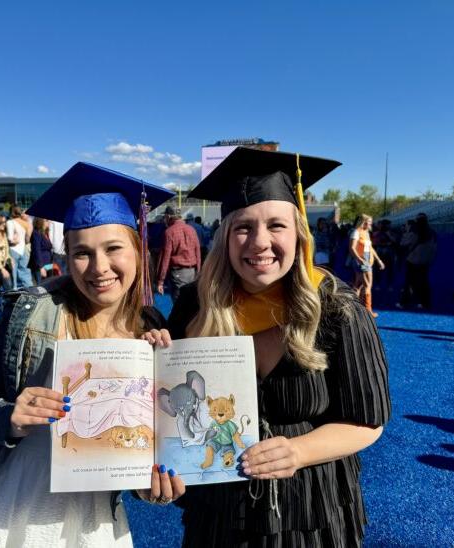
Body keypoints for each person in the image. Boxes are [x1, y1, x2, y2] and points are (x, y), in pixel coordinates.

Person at [0, 162, 181, 547]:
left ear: (138, 250)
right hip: (6, 494)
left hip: (88, 509)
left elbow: (135, 441)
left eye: (114, 248)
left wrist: (149, 485)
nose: (98, 268)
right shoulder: (34, 312)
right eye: (82, 253)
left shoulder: (151, 328)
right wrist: (7, 416)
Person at [157, 147, 390, 547]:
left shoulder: (337, 308)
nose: (260, 242)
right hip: (218, 514)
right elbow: (168, 413)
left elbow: (368, 420)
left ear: (298, 233)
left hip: (310, 511)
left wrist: (298, 452)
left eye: (276, 225)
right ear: (226, 237)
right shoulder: (197, 305)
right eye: (243, 227)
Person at [157, 206, 201, 302]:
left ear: (168, 216)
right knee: (192, 302)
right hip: (192, 272)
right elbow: (198, 251)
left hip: (178, 274)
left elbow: (165, 258)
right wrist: (198, 271)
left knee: (179, 303)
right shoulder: (191, 229)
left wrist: (160, 280)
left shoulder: (169, 232)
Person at [396, 214, 438, 310]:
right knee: (424, 282)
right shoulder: (432, 232)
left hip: (413, 259)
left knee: (409, 281)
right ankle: (424, 302)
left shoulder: (415, 232)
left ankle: (405, 301)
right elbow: (434, 248)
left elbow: (403, 243)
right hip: (425, 261)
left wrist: (406, 231)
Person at [349, 214, 385, 317]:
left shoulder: (366, 233)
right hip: (362, 261)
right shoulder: (356, 232)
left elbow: (370, 248)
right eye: (369, 222)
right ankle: (367, 310)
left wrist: (378, 260)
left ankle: (355, 308)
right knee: (367, 285)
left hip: (367, 261)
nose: (371, 224)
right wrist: (359, 259)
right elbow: (352, 248)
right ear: (363, 222)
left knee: (358, 285)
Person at [6, 205, 33, 289]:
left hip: (13, 249)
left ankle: (13, 292)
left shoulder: (10, 222)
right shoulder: (26, 223)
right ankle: (30, 290)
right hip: (23, 249)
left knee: (13, 274)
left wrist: (14, 240)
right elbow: (27, 239)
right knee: (25, 272)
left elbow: (10, 239)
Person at [29, 217, 54, 285]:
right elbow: (36, 250)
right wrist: (41, 267)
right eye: (46, 220)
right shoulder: (36, 233)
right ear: (40, 222)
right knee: (40, 286)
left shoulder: (45, 233)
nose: (48, 222)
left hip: (48, 264)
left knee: (49, 284)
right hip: (40, 265)